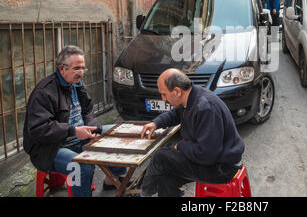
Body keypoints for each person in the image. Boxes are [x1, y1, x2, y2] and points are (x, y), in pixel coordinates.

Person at [23, 45, 127, 197]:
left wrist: (94, 130)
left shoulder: (77, 84)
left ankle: (113, 179)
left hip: (79, 138)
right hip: (50, 149)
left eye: (83, 68)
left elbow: (87, 111)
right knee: (81, 167)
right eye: (77, 68)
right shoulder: (44, 92)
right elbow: (39, 129)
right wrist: (73, 131)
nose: (81, 73)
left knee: (118, 132)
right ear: (62, 68)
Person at [138, 68, 245, 197]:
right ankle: (146, 191)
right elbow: (175, 114)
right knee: (164, 176)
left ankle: (143, 194)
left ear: (177, 91)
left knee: (160, 157)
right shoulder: (190, 97)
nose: (163, 98)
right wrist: (156, 123)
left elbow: (207, 155)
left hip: (222, 168)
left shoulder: (205, 108)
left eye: (164, 94)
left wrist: (181, 146)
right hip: (212, 158)